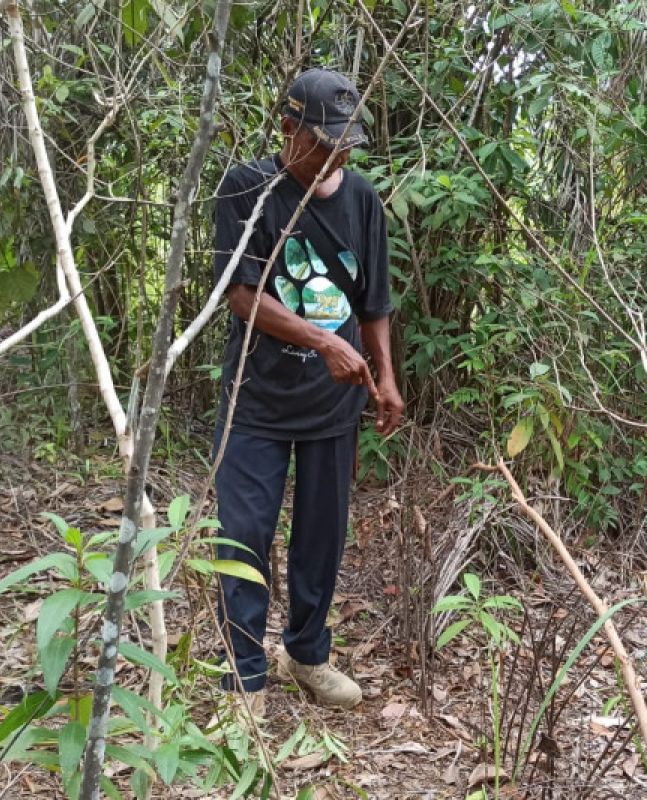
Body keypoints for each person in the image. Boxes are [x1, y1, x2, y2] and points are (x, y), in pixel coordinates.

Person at [210, 67, 403, 714]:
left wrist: (386, 380)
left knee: (322, 534)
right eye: (326, 141)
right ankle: (243, 678)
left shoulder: (363, 201)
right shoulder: (247, 189)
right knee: (243, 533)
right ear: (287, 128)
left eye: (348, 143)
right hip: (255, 400)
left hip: (333, 404)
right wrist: (324, 343)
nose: (338, 155)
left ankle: (308, 654)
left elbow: (373, 301)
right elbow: (241, 296)